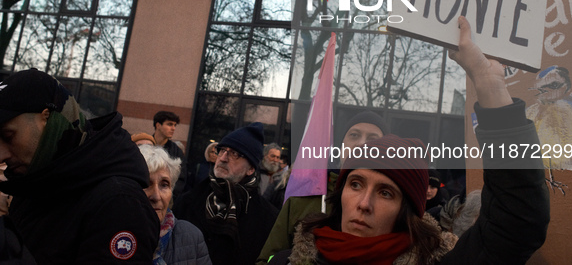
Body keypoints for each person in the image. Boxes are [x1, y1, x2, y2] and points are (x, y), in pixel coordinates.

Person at [267, 16, 550, 264]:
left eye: (386, 192)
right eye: (355, 184)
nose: (364, 203)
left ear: (406, 212)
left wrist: (489, 85)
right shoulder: (287, 261)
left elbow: (518, 222)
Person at [0, 68, 159, 263]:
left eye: (8, 136)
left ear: (47, 118)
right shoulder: (35, 183)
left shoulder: (118, 204)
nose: (1, 155)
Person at [256, 110, 388, 264]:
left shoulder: (391, 207)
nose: (361, 144)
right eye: (354, 135)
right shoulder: (302, 198)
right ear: (341, 146)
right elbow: (267, 259)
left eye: (372, 139)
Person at [174, 122, 279, 265]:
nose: (223, 158)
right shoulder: (187, 202)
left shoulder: (268, 218)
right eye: (222, 150)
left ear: (251, 169)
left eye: (235, 154)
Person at [138, 145, 212, 265]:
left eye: (164, 184)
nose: (156, 196)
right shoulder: (109, 233)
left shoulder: (192, 237)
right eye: (146, 184)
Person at [152, 111, 186, 197]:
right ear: (158, 125)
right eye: (169, 124)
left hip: (166, 197)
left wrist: (171, 196)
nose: (173, 128)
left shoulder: (176, 151)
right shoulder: (145, 144)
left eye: (175, 125)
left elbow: (181, 178)